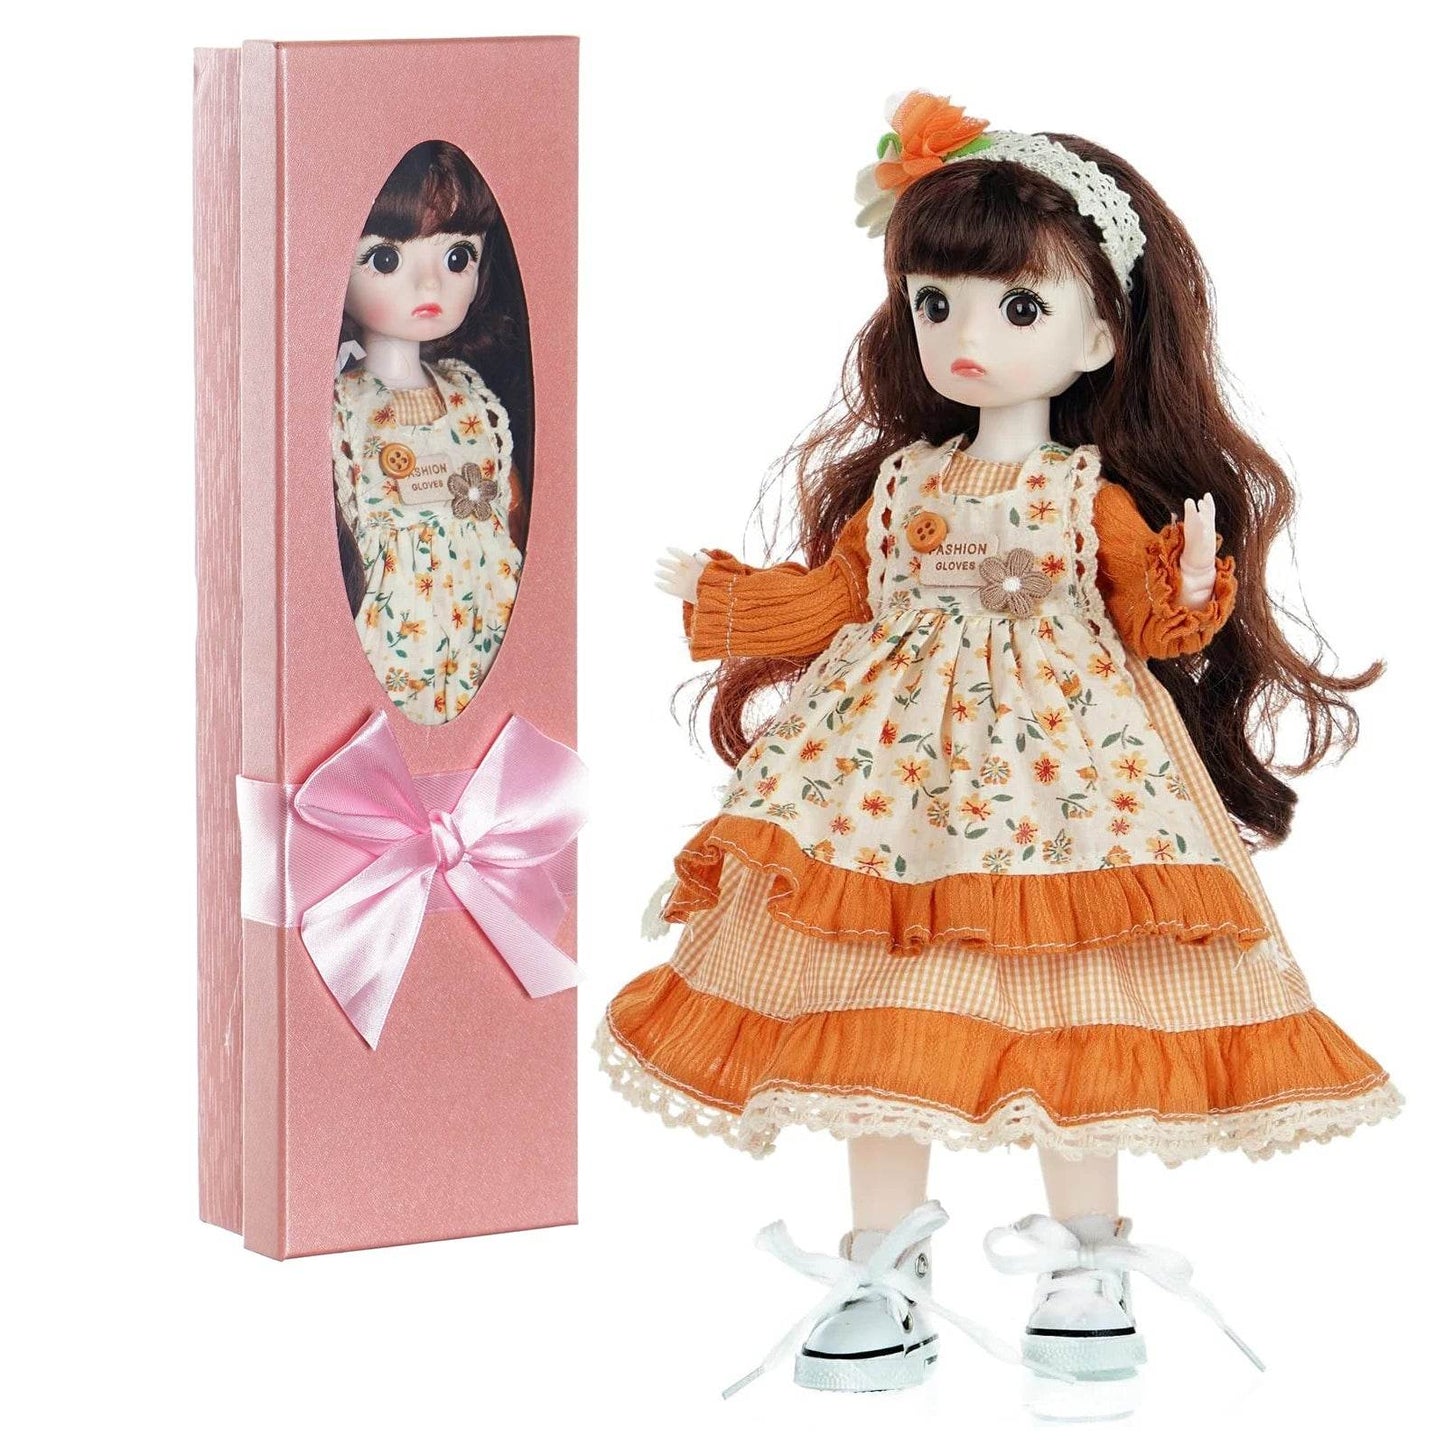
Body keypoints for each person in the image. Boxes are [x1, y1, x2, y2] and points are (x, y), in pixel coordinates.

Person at [595, 92, 1402, 1395]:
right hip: (889, 787)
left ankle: (1085, 1258)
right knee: (876, 1005)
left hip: (1069, 785)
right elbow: (836, 598)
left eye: (1016, 307)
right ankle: (883, 1264)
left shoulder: (1086, 494)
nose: (965, 338)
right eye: (936, 304)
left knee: (1076, 1000)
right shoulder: (902, 487)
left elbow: (1149, 621)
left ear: (1100, 334)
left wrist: (1194, 585)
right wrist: (728, 599)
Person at [333, 140, 533, 725]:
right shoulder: (342, 409)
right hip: (392, 634)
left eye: (456, 256)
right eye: (385, 260)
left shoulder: (471, 395)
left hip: (484, 623)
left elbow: (510, 506)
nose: (429, 287)